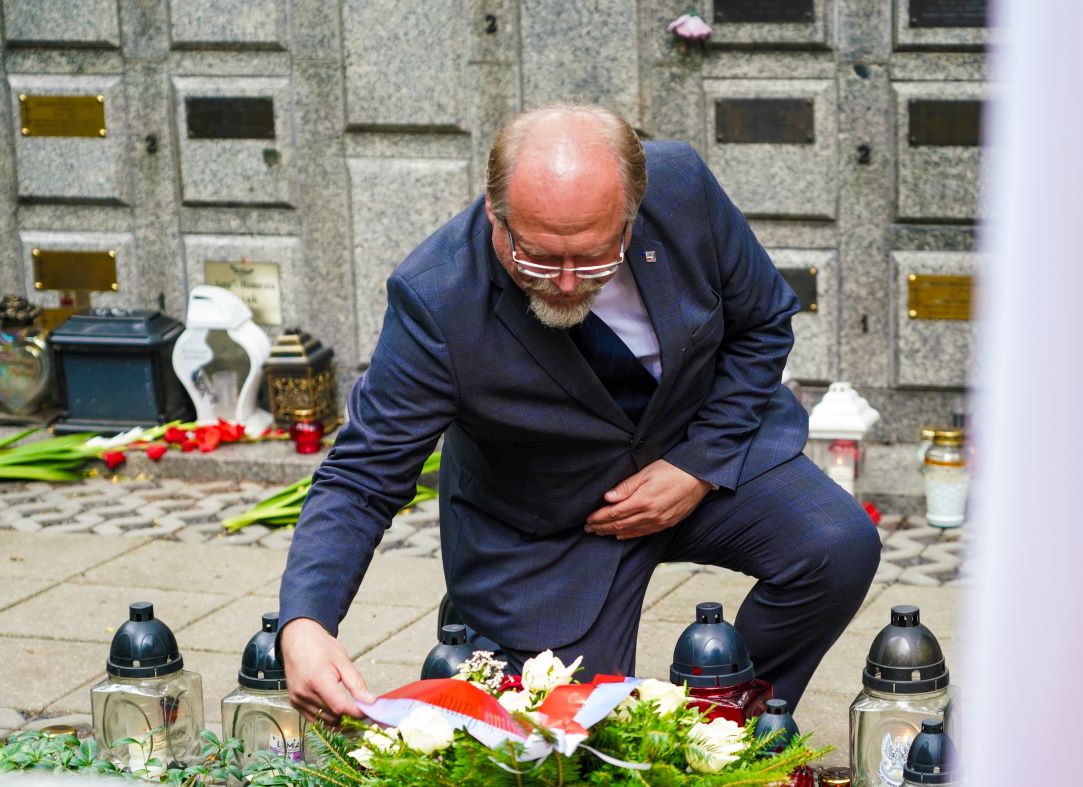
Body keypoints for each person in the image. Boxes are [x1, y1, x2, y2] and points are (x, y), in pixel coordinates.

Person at [278, 103, 881, 726]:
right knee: (574, 739)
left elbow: (762, 324)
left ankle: (727, 732)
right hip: (548, 520)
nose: (567, 284)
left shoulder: (682, 186)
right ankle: (488, 630)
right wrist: (306, 621)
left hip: (699, 450)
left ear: (632, 215)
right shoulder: (436, 298)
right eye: (539, 258)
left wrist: (698, 465)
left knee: (836, 546)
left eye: (594, 258)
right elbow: (362, 476)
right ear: (494, 214)